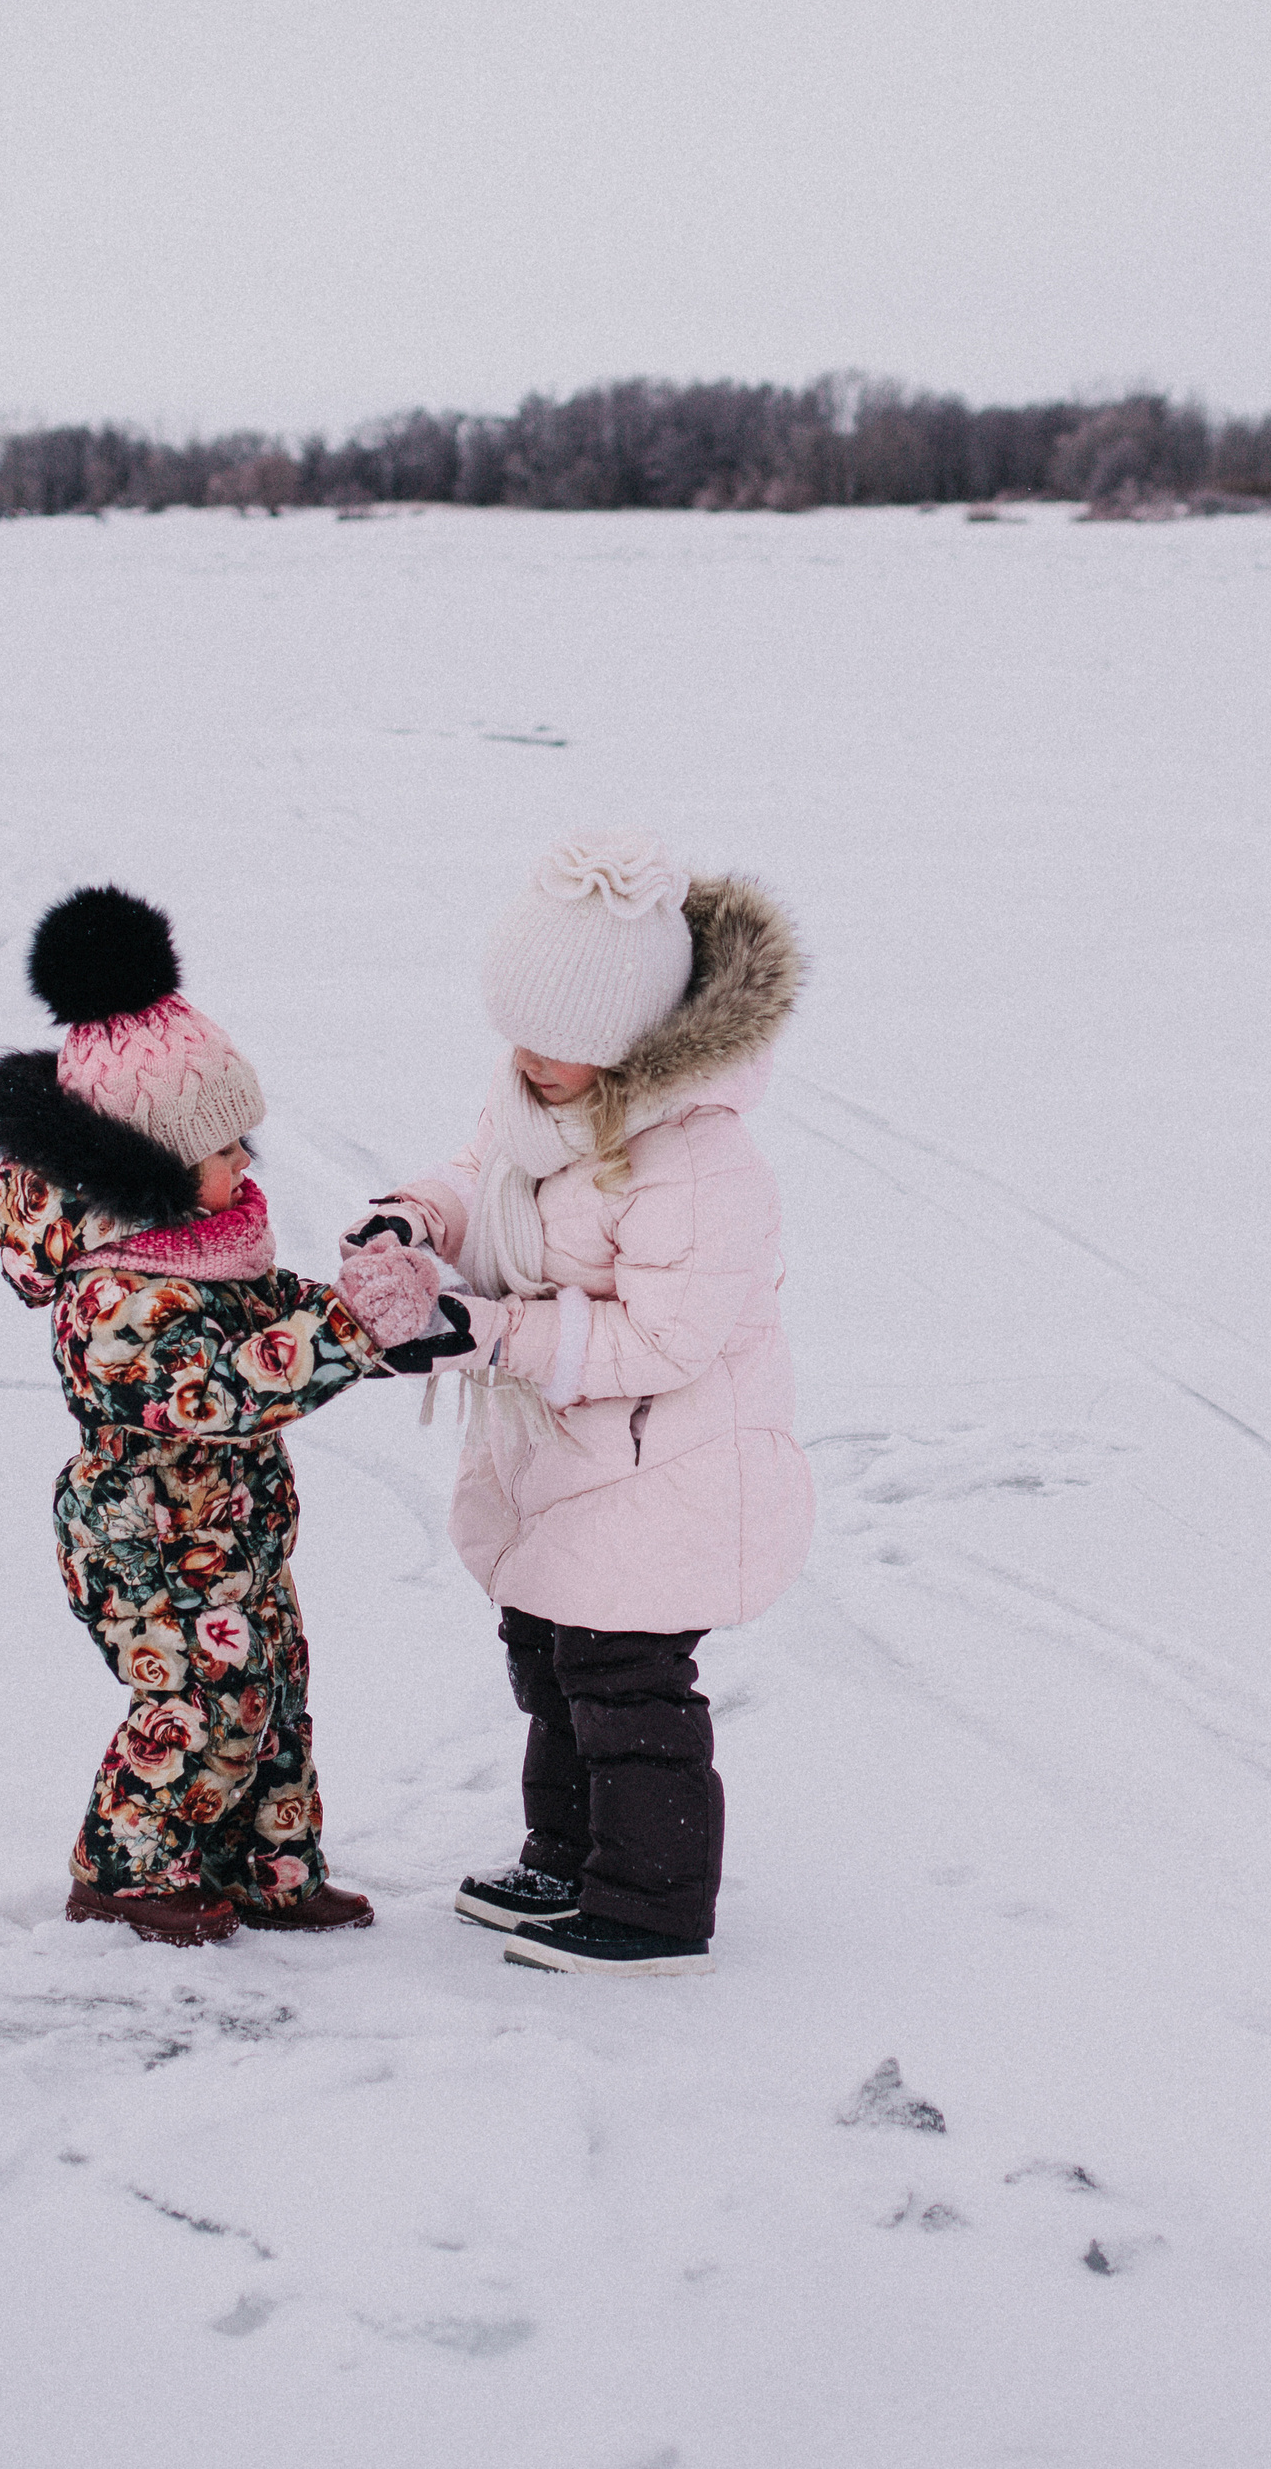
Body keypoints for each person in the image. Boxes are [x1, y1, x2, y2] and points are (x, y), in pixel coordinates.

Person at [333, 832, 812, 1977]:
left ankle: (650, 1900)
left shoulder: (695, 1162)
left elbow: (665, 1337)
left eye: (561, 1045)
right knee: (550, 1655)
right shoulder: (539, 1098)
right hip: (573, 1456)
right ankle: (568, 1853)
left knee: (626, 1681)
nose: (529, 1059)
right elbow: (479, 1171)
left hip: (671, 1467)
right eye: (520, 1032)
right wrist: (415, 1219)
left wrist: (484, 1332)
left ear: (632, 1043)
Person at [0, 884, 412, 1945]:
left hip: (235, 1531)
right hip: (144, 1538)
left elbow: (278, 1324)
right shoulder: (111, 1292)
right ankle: (126, 1869)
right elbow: (212, 1392)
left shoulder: (207, 1250)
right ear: (154, 1170)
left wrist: (379, 1318)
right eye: (224, 1152)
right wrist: (348, 1334)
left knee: (273, 1694)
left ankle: (270, 1863)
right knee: (198, 1706)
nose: (247, 1168)